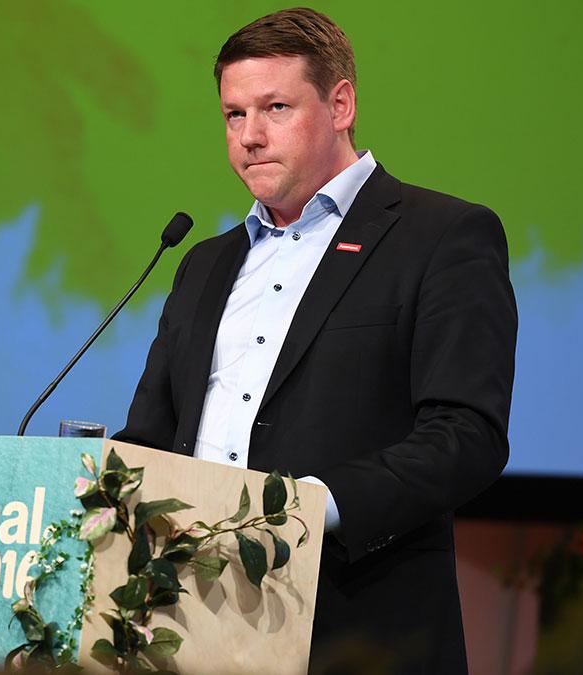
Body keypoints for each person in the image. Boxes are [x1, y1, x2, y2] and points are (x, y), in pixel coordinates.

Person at [113, 7, 517, 673]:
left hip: (352, 628)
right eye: (234, 114)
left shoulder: (441, 237)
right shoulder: (203, 263)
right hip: (187, 626)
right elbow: (152, 437)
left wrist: (307, 509)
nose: (250, 136)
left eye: (275, 107)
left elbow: (466, 435)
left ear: (341, 105)